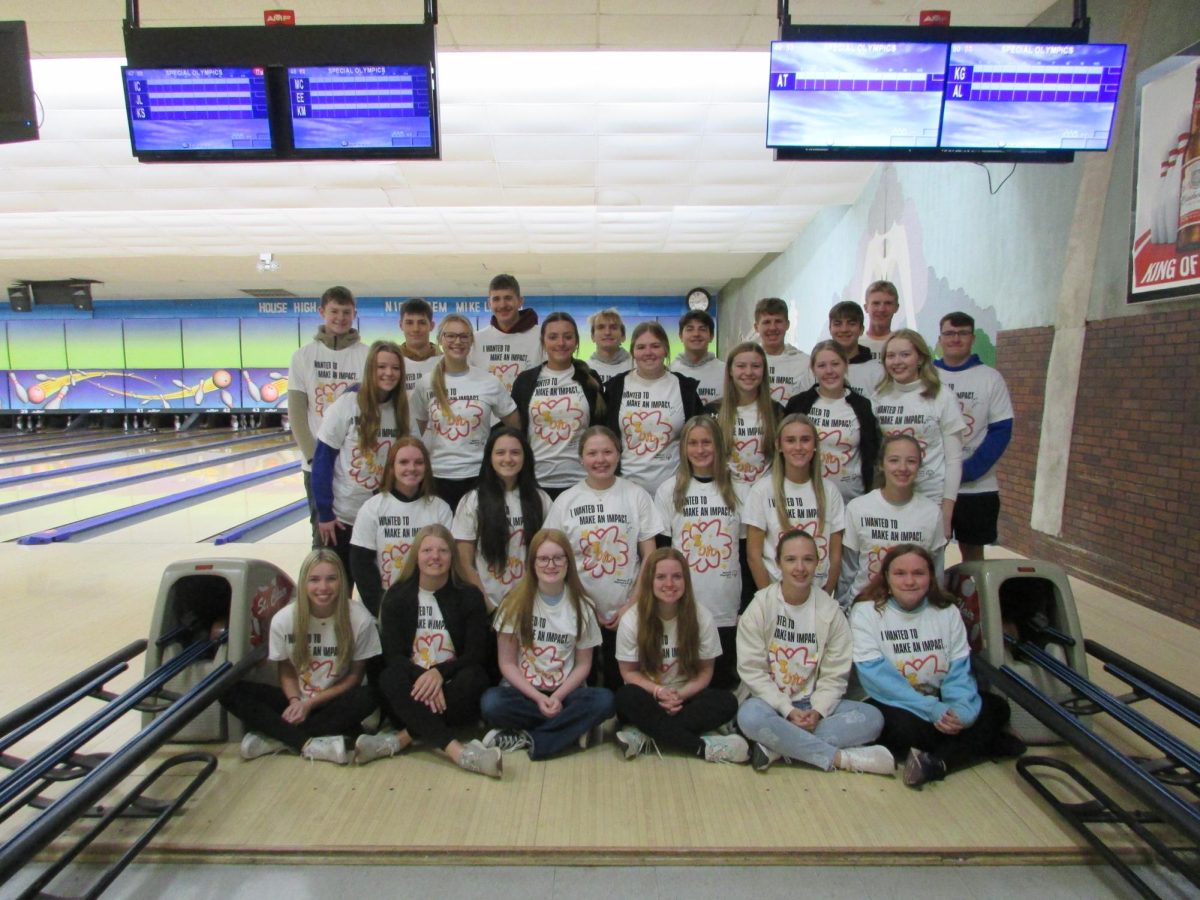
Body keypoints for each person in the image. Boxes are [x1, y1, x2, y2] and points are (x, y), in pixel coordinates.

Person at [851, 543, 1016, 787]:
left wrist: (960, 711)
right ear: (886, 577)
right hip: (892, 702)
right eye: (900, 573)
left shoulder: (946, 612)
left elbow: (959, 671)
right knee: (901, 729)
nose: (910, 581)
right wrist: (933, 710)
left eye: (918, 573)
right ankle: (979, 747)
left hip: (939, 702)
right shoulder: (866, 612)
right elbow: (877, 679)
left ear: (931, 577)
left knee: (998, 707)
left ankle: (937, 762)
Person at [736, 530, 892, 775]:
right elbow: (752, 671)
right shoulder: (759, 607)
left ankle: (778, 747)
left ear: (817, 563)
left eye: (807, 559)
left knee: (873, 718)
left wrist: (818, 710)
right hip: (771, 704)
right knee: (749, 716)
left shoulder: (831, 612)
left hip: (814, 703)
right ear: (778, 563)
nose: (800, 567)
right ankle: (840, 758)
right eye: (791, 560)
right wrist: (787, 711)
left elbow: (835, 675)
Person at [220, 549, 380, 765]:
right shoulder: (285, 619)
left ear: (341, 582)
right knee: (227, 690)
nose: (323, 587)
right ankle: (310, 741)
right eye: (314, 580)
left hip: (333, 700)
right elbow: (286, 670)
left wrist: (310, 704)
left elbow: (354, 677)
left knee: (372, 695)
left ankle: (279, 740)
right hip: (295, 698)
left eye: (331, 579)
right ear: (304, 582)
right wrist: (296, 701)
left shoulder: (359, 619)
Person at [365, 525, 501, 777]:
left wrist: (438, 674)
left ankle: (401, 739)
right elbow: (393, 655)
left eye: (443, 550)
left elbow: (475, 653)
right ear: (416, 555)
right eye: (427, 550)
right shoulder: (396, 596)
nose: (435, 557)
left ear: (453, 557)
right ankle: (458, 752)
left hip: (452, 685)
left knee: (475, 677)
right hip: (414, 687)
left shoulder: (469, 595)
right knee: (390, 676)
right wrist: (422, 677)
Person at [479, 529, 616, 757]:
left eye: (558, 558)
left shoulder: (583, 607)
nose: (551, 565)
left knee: (605, 701)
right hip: (524, 692)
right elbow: (507, 664)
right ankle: (569, 731)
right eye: (543, 558)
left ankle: (526, 737)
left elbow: (583, 665)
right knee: (490, 703)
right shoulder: (513, 603)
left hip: (566, 693)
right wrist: (539, 698)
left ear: (568, 562)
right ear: (532, 563)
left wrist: (557, 697)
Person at [545, 426, 663, 689]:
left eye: (608, 452)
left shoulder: (636, 495)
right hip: (578, 607)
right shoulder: (566, 501)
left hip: (628, 608)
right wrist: (582, 603)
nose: (600, 460)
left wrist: (632, 603)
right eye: (592, 453)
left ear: (619, 455)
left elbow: (650, 556)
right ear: (581, 459)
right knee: (579, 684)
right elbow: (553, 557)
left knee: (620, 684)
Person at [613, 548, 748, 763]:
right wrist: (659, 692)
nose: (670, 583)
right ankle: (703, 748)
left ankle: (646, 732)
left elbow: (706, 671)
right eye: (661, 577)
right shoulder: (632, 619)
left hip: (686, 697)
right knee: (625, 698)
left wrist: (680, 695)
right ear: (650, 580)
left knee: (727, 701)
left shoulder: (701, 616)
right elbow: (628, 673)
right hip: (650, 697)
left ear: (686, 580)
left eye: (677, 576)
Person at [312, 340, 410, 589]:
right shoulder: (347, 404)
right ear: (370, 368)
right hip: (342, 519)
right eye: (381, 366)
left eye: (395, 368)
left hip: (381, 521)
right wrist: (324, 513)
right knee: (337, 593)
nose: (388, 373)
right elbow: (322, 459)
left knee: (374, 594)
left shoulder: (400, 409)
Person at [653, 416, 742, 689]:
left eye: (707, 442)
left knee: (722, 677)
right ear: (683, 448)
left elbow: (748, 551)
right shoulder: (669, 490)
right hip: (684, 598)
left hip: (725, 600)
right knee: (685, 675)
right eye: (693, 443)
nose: (700, 450)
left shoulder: (740, 489)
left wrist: (747, 602)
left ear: (719, 445)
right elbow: (662, 551)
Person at [287, 286, 369, 548]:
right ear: (322, 311)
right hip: (316, 464)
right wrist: (316, 458)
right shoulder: (302, 357)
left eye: (346, 312)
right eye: (334, 311)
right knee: (323, 537)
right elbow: (297, 413)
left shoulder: (367, 356)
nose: (340, 318)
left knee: (363, 537)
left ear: (354, 314)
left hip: (357, 464)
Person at [411, 314, 520, 512]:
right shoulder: (425, 383)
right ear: (440, 340)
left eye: (464, 336)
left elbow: (516, 426)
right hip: (437, 477)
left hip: (480, 476)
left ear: (471, 341)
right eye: (450, 336)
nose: (457, 342)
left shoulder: (488, 381)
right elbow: (414, 434)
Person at [933, 312, 1014, 562]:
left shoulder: (990, 378)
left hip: (977, 488)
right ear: (940, 338)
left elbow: (1001, 430)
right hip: (933, 486)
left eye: (963, 333)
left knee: (973, 557)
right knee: (931, 552)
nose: (956, 338)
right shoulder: (927, 376)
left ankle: (972, 600)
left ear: (973, 337)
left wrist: (967, 471)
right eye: (949, 333)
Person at [872, 329, 968, 540]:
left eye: (905, 354)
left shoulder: (941, 396)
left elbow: (954, 459)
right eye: (891, 355)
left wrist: (947, 510)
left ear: (920, 358)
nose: (897, 361)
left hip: (930, 495)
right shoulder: (880, 397)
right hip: (891, 496)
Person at [744, 414, 845, 597]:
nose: (798, 447)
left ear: (815, 445)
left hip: (818, 594)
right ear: (779, 445)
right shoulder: (762, 490)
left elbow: (836, 556)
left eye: (805, 440)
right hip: (777, 594)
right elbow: (753, 555)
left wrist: (824, 598)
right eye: (790, 440)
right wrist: (771, 599)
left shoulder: (830, 491)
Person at [350, 437, 453, 617]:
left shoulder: (440, 508)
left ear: (427, 467)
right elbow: (361, 565)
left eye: (418, 462)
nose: (411, 468)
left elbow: (449, 562)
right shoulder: (372, 508)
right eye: (404, 462)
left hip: (431, 607)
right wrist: (381, 608)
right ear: (391, 467)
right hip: (385, 604)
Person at [840, 434, 947, 607]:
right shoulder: (858, 508)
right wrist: (845, 610)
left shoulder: (931, 513)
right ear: (881, 464)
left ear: (919, 465)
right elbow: (848, 572)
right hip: (865, 607)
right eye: (894, 460)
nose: (902, 468)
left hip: (913, 609)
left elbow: (937, 573)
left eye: (911, 461)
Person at [452, 426, 551, 611]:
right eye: (500, 453)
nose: (508, 459)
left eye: (515, 452)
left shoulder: (542, 499)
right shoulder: (471, 501)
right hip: (488, 607)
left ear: (525, 457)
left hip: (533, 605)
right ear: (489, 457)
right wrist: (487, 605)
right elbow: (464, 562)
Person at [510, 312, 606, 499]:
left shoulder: (590, 379)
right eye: (553, 337)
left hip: (582, 482)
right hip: (536, 483)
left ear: (576, 341)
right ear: (543, 341)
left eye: (567, 337)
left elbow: (600, 428)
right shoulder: (525, 381)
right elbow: (517, 432)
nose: (561, 343)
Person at [603, 320, 703, 492]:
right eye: (641, 347)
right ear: (633, 352)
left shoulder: (684, 388)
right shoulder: (616, 387)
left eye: (655, 346)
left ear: (665, 349)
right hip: (625, 488)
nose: (648, 353)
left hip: (674, 489)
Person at [786, 340, 881, 503]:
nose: (829, 371)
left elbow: (872, 455)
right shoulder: (798, 404)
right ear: (813, 369)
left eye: (835, 364)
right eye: (822, 366)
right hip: (806, 500)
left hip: (851, 501)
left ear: (845, 364)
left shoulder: (863, 406)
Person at [707, 342, 784, 509]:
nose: (748, 372)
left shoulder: (777, 411)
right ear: (730, 371)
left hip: (766, 498)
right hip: (725, 497)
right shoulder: (712, 411)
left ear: (764, 371)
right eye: (741, 366)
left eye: (755, 366)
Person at [468, 273, 543, 392]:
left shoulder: (541, 336)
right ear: (489, 304)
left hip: (528, 409)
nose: (502, 305)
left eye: (508, 298)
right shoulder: (476, 340)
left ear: (520, 301)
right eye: (496, 299)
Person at [753, 297, 812, 404]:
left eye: (778, 321)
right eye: (766, 322)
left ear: (788, 325)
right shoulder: (747, 362)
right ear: (756, 327)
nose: (772, 328)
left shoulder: (805, 362)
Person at [827, 300, 884, 398]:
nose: (844, 329)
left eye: (851, 323)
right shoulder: (815, 369)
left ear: (861, 329)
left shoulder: (878, 372)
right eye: (837, 324)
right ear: (830, 329)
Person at [669, 309, 725, 405]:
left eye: (702, 329)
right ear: (680, 336)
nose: (696, 334)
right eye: (690, 329)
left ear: (711, 336)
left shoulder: (726, 371)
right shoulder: (670, 371)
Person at [398, 297, 441, 397]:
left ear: (432, 325)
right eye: (409, 323)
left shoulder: (446, 362)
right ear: (401, 325)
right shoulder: (393, 362)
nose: (415, 329)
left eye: (422, 322)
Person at [585, 308, 632, 386]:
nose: (607, 332)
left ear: (623, 336)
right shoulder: (584, 370)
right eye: (601, 327)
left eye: (613, 327)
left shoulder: (636, 367)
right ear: (592, 336)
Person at [859, 280, 900, 361]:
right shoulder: (853, 346)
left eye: (888, 303)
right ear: (866, 307)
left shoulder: (904, 346)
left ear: (896, 307)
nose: (881, 309)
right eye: (876, 303)